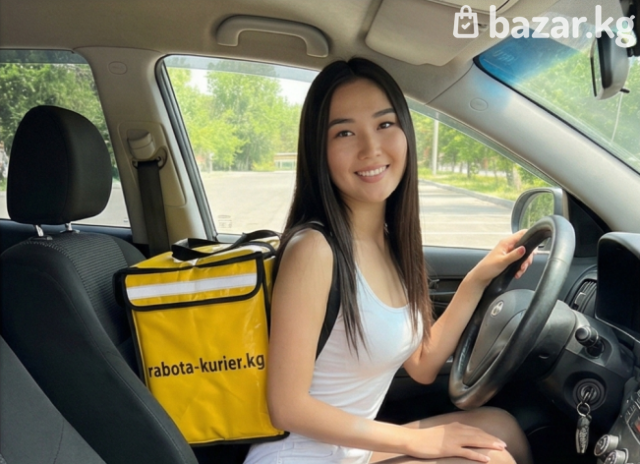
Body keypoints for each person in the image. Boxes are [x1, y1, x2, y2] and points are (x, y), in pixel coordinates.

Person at [244, 58, 534, 464]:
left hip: (350, 451)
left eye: (384, 124)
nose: (371, 148)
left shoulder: (390, 243)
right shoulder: (314, 249)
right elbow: (286, 407)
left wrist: (477, 279)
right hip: (300, 454)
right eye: (345, 132)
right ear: (319, 151)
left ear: (405, 133)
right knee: (492, 460)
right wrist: (415, 442)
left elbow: (421, 365)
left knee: (500, 430)